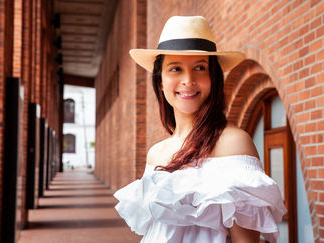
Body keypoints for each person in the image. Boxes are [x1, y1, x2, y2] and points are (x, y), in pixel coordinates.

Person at [114, 16, 286, 243]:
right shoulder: (156, 153)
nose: (188, 80)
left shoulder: (233, 143)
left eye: (200, 67)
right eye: (175, 68)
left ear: (213, 78)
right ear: (160, 81)